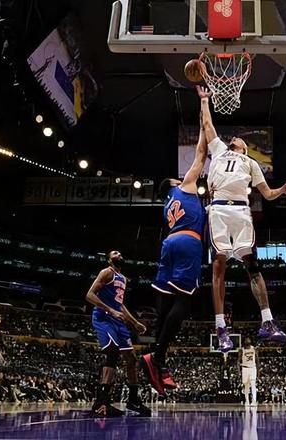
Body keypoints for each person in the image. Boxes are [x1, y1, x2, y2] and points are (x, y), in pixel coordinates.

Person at [199, 86, 286, 352]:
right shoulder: (219, 149)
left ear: (244, 148)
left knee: (252, 265)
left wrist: (283, 189)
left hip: (242, 211)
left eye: (240, 139)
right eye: (234, 137)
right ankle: (221, 329)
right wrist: (205, 100)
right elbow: (207, 124)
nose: (235, 138)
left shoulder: (252, 163)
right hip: (219, 209)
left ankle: (268, 321)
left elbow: (268, 194)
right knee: (219, 264)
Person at [144, 91, 208, 395]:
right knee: (185, 301)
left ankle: (156, 358)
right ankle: (158, 355)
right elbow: (200, 154)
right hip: (188, 243)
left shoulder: (166, 205)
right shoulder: (184, 187)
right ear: (173, 183)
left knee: (165, 303)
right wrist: (204, 118)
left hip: (168, 244)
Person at [85, 250, 151, 417]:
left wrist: (134, 322)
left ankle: (133, 400)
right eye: (114, 253)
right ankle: (101, 402)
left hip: (118, 320)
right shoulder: (107, 272)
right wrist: (110, 310)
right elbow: (89, 295)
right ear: (109, 260)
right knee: (113, 352)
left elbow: (120, 305)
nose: (119, 254)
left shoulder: (122, 278)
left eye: (120, 253)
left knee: (132, 359)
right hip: (104, 317)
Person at [239, 337, 258, 406]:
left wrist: (258, 371)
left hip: (253, 368)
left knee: (253, 384)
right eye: (246, 339)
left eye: (248, 339)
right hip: (245, 368)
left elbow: (257, 360)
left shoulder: (254, 349)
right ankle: (247, 400)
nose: (247, 340)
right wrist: (239, 371)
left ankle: (254, 400)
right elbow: (238, 361)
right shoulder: (241, 350)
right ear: (244, 342)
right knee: (246, 385)